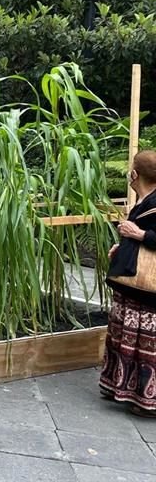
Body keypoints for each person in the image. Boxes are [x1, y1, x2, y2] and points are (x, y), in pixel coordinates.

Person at [100, 150, 156, 417]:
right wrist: (123, 246)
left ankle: (147, 399)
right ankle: (120, 386)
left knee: (145, 341)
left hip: (147, 288)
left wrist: (140, 234)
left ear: (136, 173)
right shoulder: (144, 199)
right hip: (133, 282)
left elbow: (147, 235)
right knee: (127, 334)